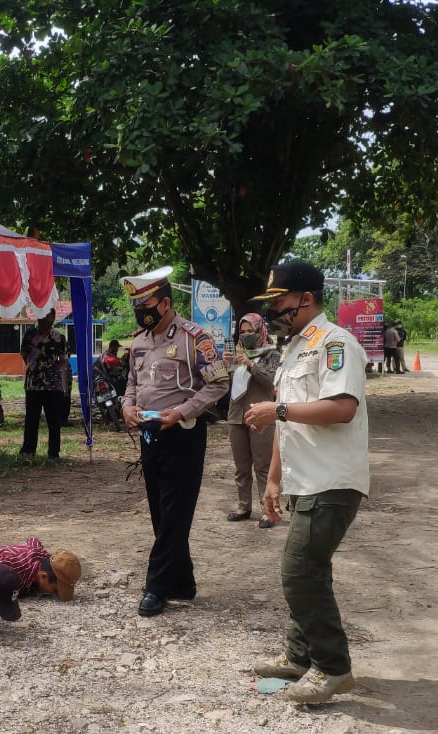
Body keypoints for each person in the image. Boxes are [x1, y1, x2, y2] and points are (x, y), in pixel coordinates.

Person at [244, 260, 370, 704]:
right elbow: (289, 424)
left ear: (306, 298)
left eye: (279, 301)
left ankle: (334, 669)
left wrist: (276, 411)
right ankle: (300, 657)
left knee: (299, 571)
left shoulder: (336, 343)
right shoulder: (296, 348)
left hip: (333, 479)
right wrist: (274, 480)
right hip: (304, 481)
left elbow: (342, 407)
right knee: (309, 570)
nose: (274, 310)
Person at [120, 266, 230, 617]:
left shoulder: (195, 338)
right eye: (136, 304)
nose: (141, 310)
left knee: (175, 513)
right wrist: (127, 406)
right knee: (159, 510)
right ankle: (182, 580)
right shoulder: (139, 341)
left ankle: (157, 586)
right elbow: (133, 385)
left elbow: (218, 384)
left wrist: (182, 411)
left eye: (146, 303)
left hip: (183, 434)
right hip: (150, 435)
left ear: (166, 302)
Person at [224, 312, 279, 529]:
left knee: (263, 465)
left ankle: (268, 511)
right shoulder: (237, 354)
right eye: (242, 331)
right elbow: (222, 383)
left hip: (261, 415)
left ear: (260, 331)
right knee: (241, 466)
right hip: (236, 416)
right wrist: (225, 364)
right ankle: (243, 506)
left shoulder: (271, 354)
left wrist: (250, 364)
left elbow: (271, 381)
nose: (246, 335)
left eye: (251, 331)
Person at [19, 308, 70, 460]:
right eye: (43, 316)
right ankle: (28, 451)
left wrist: (63, 385)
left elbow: (63, 361)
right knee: (31, 420)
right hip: (33, 385)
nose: (45, 319)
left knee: (54, 421)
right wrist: (34, 368)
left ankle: (54, 453)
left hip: (53, 386)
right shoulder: (29, 335)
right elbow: (24, 355)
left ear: (53, 318)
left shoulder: (59, 338)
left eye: (49, 316)